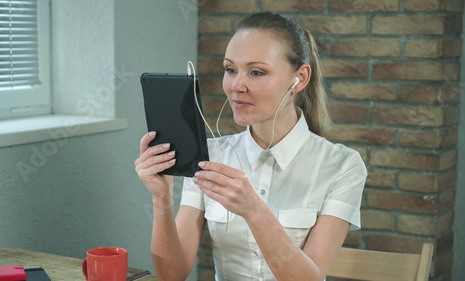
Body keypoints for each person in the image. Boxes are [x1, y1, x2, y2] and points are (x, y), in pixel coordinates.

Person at [135, 12, 367, 281]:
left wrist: (254, 210)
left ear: (300, 79)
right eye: (230, 69)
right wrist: (161, 199)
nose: (236, 86)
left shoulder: (343, 167)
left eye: (256, 72)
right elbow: (171, 276)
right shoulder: (210, 157)